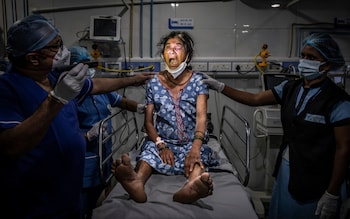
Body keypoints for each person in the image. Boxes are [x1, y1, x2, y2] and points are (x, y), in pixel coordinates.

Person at [0, 14, 153, 219]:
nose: (62, 51)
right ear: (33, 58)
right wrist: (57, 99)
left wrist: (133, 80)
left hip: (66, 193)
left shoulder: (54, 77)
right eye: (55, 47)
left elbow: (97, 85)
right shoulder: (8, 88)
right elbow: (11, 146)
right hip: (35, 203)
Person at [202, 32, 350, 219]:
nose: (304, 61)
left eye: (311, 58)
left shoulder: (338, 101)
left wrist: (332, 193)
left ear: (327, 65)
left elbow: (344, 149)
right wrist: (220, 86)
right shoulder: (291, 87)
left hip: (319, 177)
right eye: (303, 56)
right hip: (289, 170)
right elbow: (254, 98)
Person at [112, 31, 219, 204]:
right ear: (163, 54)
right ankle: (137, 181)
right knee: (147, 154)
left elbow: (201, 119)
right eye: (168, 48)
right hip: (163, 141)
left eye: (178, 47)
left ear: (188, 55)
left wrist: (195, 149)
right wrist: (161, 145)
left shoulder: (198, 81)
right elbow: (148, 122)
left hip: (192, 142)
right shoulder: (154, 82)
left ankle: (192, 185)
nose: (172, 51)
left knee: (199, 159)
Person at [68, 45, 146, 219]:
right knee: (81, 206)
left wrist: (141, 108)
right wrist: (88, 135)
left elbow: (121, 102)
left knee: (99, 199)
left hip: (103, 155)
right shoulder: (70, 96)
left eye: (89, 65)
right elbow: (61, 133)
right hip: (83, 159)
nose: (88, 70)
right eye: (83, 66)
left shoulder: (100, 90)